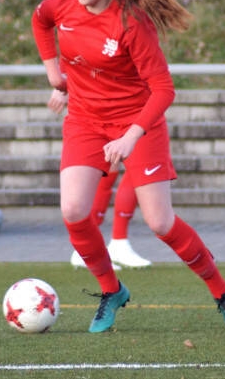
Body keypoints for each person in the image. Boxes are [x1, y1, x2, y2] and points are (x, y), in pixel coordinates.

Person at [31, 0, 225, 333]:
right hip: (85, 121)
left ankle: (222, 291)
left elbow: (164, 89)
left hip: (137, 122)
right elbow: (39, 19)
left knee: (161, 223)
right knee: (73, 212)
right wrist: (53, 73)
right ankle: (111, 290)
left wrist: (131, 135)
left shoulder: (131, 22)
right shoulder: (62, 6)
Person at [48, 88, 152, 269]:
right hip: (107, 99)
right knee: (122, 162)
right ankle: (99, 245)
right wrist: (61, 85)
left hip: (131, 96)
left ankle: (113, 243)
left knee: (132, 162)